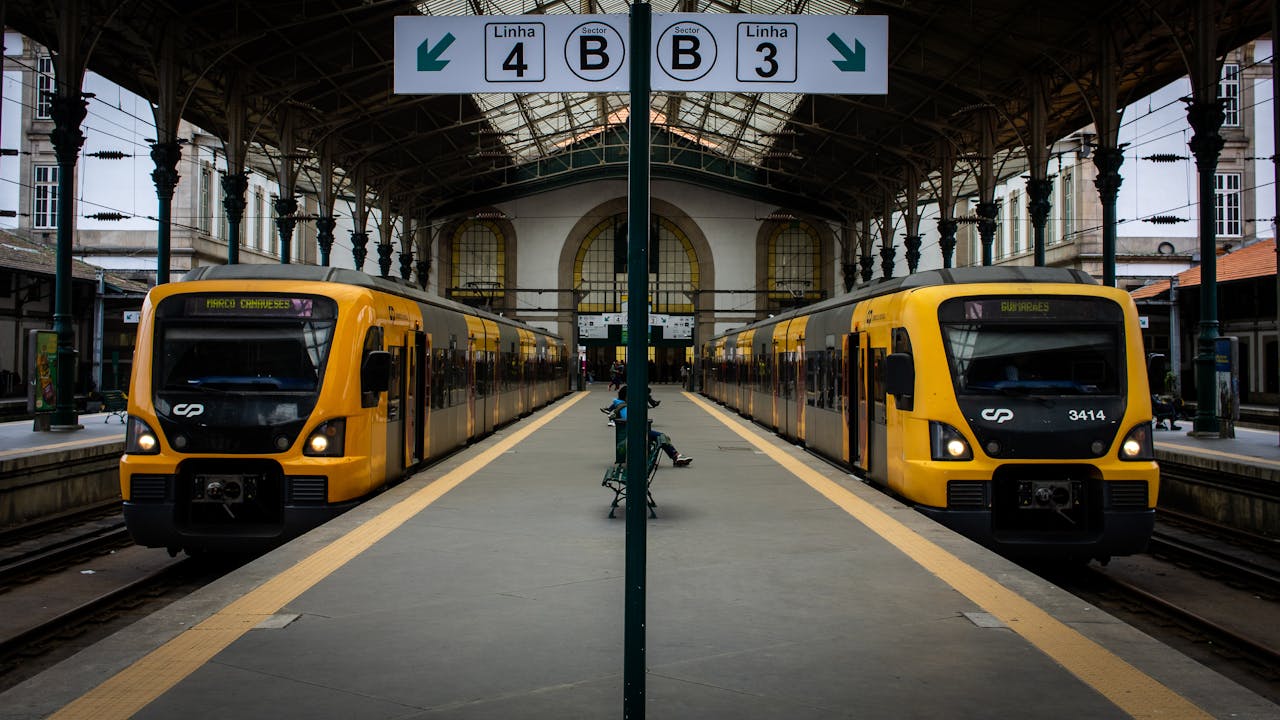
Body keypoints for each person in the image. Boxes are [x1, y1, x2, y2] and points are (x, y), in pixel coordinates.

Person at [607, 386, 691, 466]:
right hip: (636, 433)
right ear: (627, 396)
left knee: (660, 436)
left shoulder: (621, 405)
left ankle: (676, 456)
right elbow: (630, 420)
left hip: (633, 432)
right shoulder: (624, 408)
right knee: (661, 436)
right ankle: (676, 456)